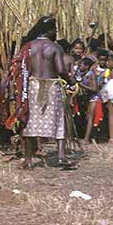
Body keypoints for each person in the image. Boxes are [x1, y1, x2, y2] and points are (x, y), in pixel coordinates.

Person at [21, 16, 71, 168]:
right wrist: (71, 80)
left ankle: (28, 160)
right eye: (54, 30)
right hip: (51, 86)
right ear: (49, 31)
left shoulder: (29, 46)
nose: (56, 32)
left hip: (33, 86)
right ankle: (61, 157)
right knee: (59, 119)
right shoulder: (55, 47)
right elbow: (61, 69)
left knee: (30, 120)